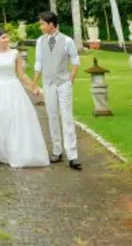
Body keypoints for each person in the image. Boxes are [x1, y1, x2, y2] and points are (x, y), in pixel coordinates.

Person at [0, 28, 49, 168]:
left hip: (13, 87)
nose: (6, 40)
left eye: (7, 37)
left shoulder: (15, 53)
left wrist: (34, 87)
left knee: (15, 119)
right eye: (3, 38)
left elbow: (21, 74)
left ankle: (16, 152)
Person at [33, 11, 82, 170]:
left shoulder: (67, 40)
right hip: (48, 84)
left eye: (42, 24)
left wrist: (71, 79)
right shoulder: (40, 41)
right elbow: (38, 63)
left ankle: (72, 156)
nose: (40, 27)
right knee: (52, 116)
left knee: (67, 118)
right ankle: (57, 151)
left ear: (51, 24)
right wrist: (34, 83)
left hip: (63, 84)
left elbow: (75, 60)